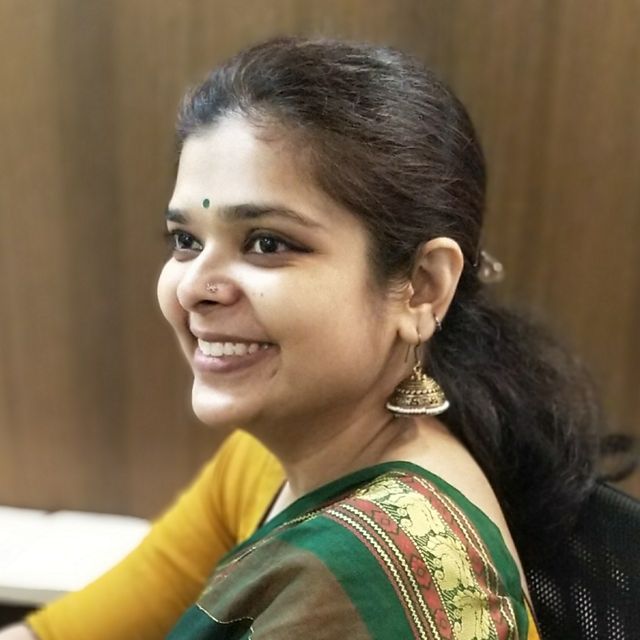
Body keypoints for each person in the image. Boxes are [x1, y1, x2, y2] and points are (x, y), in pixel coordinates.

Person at [1, 36, 603, 639]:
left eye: (267, 243)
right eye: (186, 241)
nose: (194, 288)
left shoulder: (374, 572)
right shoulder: (270, 460)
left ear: (421, 287)